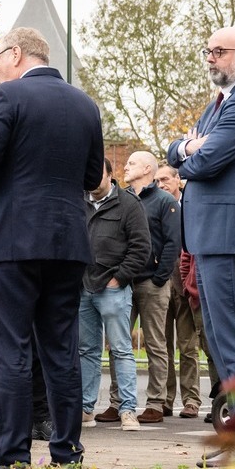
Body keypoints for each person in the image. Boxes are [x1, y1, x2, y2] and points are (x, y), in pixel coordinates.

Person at [0, 27, 103, 469]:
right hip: (69, 241)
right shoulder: (85, 105)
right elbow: (93, 176)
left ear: (15, 53)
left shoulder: (8, 97)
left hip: (15, 239)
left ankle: (13, 459)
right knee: (61, 348)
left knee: (9, 348)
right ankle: (68, 454)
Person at [164, 26, 235, 413]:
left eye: (218, 51)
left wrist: (191, 151)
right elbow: (174, 150)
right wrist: (188, 146)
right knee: (216, 334)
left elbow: (206, 162)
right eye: (207, 50)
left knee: (231, 335)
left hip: (229, 234)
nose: (210, 58)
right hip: (210, 235)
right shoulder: (218, 104)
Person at [81, 158, 153, 429]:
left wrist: (119, 278)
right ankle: (86, 408)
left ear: (110, 175)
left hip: (113, 288)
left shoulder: (129, 204)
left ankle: (128, 410)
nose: (91, 178)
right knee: (86, 350)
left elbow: (141, 247)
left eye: (97, 173)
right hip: (82, 288)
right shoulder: (79, 202)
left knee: (121, 350)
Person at [123, 151, 179, 420]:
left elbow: (172, 242)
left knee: (156, 344)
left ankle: (156, 403)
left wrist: (159, 277)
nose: (125, 166)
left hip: (151, 282)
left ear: (147, 168)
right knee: (119, 344)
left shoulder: (164, 201)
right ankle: (119, 403)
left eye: (131, 163)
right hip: (123, 282)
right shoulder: (121, 199)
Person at [156, 162, 206, 418]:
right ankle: (165, 399)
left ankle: (191, 400)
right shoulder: (155, 204)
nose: (161, 184)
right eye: (157, 181)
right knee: (162, 345)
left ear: (178, 180)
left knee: (188, 347)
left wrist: (188, 283)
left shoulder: (191, 205)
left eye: (165, 179)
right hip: (160, 282)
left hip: (185, 283)